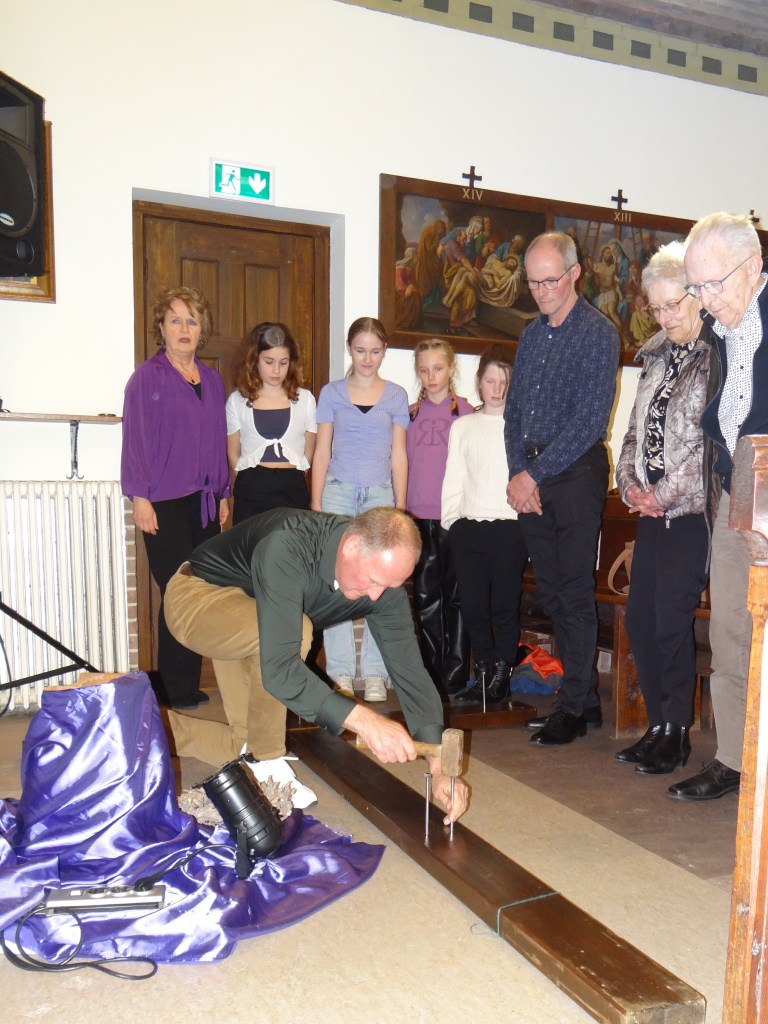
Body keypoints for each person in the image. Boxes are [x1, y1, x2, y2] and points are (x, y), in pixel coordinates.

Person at [163, 506, 468, 824]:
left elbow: (411, 672)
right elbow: (280, 670)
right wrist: (366, 721)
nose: (376, 596)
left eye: (391, 586)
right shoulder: (288, 546)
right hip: (198, 596)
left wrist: (439, 762)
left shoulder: (383, 587)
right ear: (351, 546)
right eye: (372, 580)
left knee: (244, 743)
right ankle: (267, 762)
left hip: (254, 614)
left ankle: (150, 727)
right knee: (297, 632)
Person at [505, 231, 620, 745]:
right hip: (531, 476)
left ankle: (572, 708)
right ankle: (585, 699)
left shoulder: (598, 334)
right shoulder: (531, 335)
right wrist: (519, 472)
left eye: (549, 281)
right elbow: (513, 413)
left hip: (575, 474)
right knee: (551, 592)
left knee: (573, 591)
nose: (540, 291)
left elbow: (589, 421)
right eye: (532, 283)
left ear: (574, 274)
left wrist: (534, 474)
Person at [669, 212, 768, 802]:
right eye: (696, 286)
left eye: (713, 284)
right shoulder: (722, 328)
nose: (704, 300)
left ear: (753, 267)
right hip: (738, 490)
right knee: (730, 631)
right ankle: (734, 760)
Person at [614, 242, 712, 774]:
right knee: (641, 619)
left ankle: (677, 733)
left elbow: (708, 446)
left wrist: (664, 494)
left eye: (674, 304)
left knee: (672, 621)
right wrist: (630, 487)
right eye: (656, 307)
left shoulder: (713, 355)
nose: (665, 316)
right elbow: (634, 432)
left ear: (695, 296)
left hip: (690, 514)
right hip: (651, 512)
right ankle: (656, 725)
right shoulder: (654, 355)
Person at [121, 285, 230, 710]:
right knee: (177, 590)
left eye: (192, 321)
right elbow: (135, 440)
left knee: (198, 591)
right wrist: (139, 497)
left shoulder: (212, 380)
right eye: (176, 320)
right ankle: (170, 686)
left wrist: (222, 492)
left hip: (204, 502)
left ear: (201, 329)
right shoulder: (147, 378)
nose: (184, 328)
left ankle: (185, 684)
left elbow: (217, 440)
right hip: (163, 502)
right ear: (162, 328)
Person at [310, 317, 409, 703]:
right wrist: (316, 501)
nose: (368, 358)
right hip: (337, 493)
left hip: (380, 496)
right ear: (349, 349)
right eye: (361, 350)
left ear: (384, 352)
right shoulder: (331, 393)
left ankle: (374, 672)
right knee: (337, 583)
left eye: (375, 351)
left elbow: (399, 454)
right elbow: (322, 450)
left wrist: (400, 505)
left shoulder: (396, 396)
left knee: (378, 584)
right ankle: (339, 673)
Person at [443, 345, 528, 706]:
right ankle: (482, 673)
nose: (497, 389)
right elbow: (454, 477)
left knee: (504, 606)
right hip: (470, 527)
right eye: (491, 381)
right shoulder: (463, 426)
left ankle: (502, 675)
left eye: (504, 382)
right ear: (479, 383)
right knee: (474, 607)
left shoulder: (522, 427)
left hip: (509, 528)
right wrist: (453, 523)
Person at [406, 338, 473, 696]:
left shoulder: (466, 412)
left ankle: (457, 672)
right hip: (418, 516)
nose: (431, 376)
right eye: (424, 370)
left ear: (451, 369)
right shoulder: (410, 414)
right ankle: (431, 672)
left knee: (457, 595)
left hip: (455, 516)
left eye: (438, 368)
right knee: (425, 596)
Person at [226, 322, 317, 525]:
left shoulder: (306, 400)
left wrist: (289, 477)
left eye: (283, 362)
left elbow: (308, 452)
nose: (276, 370)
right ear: (254, 360)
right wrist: (253, 480)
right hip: (251, 490)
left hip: (292, 489)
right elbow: (233, 453)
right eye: (269, 362)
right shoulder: (237, 401)